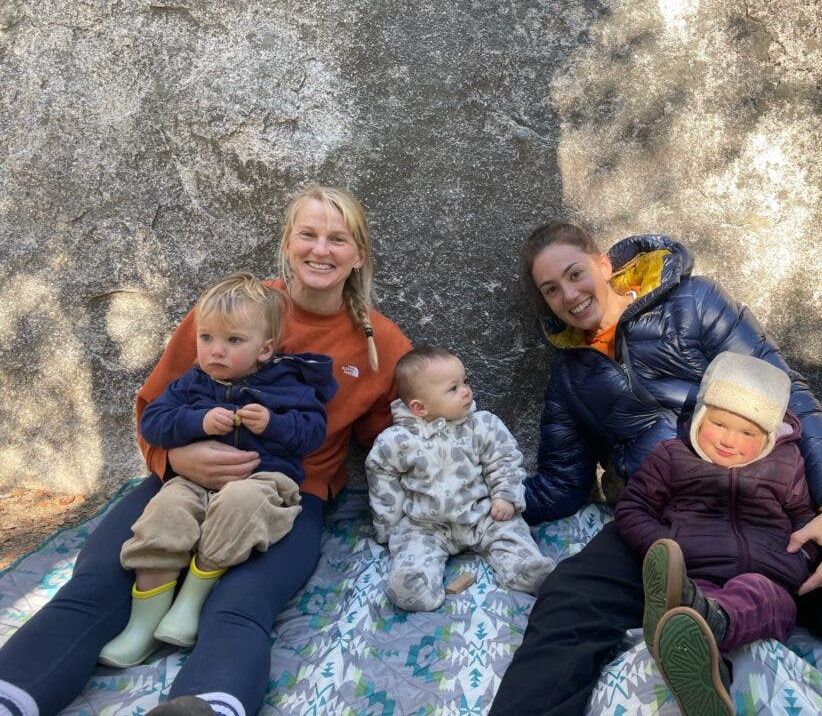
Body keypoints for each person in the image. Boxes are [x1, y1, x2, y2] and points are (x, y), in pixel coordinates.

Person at [488, 221, 822, 716]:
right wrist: (479, 501)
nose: (569, 295)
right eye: (551, 289)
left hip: (771, 497)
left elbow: (790, 395)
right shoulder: (571, 375)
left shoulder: (692, 303)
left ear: (603, 264)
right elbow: (562, 482)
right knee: (567, 603)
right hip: (667, 521)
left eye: (573, 274)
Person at [0, 185, 412, 716]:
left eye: (338, 239)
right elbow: (154, 404)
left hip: (288, 495)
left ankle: (207, 707)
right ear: (287, 243)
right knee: (99, 583)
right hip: (182, 481)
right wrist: (172, 460)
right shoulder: (232, 308)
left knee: (240, 606)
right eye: (307, 234)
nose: (321, 250)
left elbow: (389, 442)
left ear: (359, 255)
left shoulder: (379, 342)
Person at [98, 273, 338, 668]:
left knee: (240, 506)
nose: (216, 351)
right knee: (164, 512)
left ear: (265, 349)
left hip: (262, 480)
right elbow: (153, 423)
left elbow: (313, 433)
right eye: (206, 338)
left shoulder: (288, 384)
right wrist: (197, 422)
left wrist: (273, 425)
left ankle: (190, 602)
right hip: (193, 481)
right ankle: (144, 624)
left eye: (233, 341)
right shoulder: (191, 383)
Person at [616, 351, 821, 716]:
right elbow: (634, 507)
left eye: (747, 432)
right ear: (700, 417)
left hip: (768, 576)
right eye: (720, 424)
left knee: (760, 597)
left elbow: (803, 515)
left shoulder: (786, 465)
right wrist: (662, 545)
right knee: (689, 608)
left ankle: (709, 626)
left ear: (769, 437)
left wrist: (804, 556)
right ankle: (711, 681)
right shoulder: (673, 457)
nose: (729, 440)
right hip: (696, 572)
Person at [366, 346, 554, 612]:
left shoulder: (482, 425)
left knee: (510, 531)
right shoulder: (396, 441)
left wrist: (505, 496)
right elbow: (381, 479)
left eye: (465, 382)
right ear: (419, 408)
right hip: (426, 524)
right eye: (453, 389)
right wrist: (389, 524)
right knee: (411, 550)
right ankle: (415, 586)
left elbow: (504, 459)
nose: (466, 391)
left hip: (481, 515)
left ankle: (522, 569)